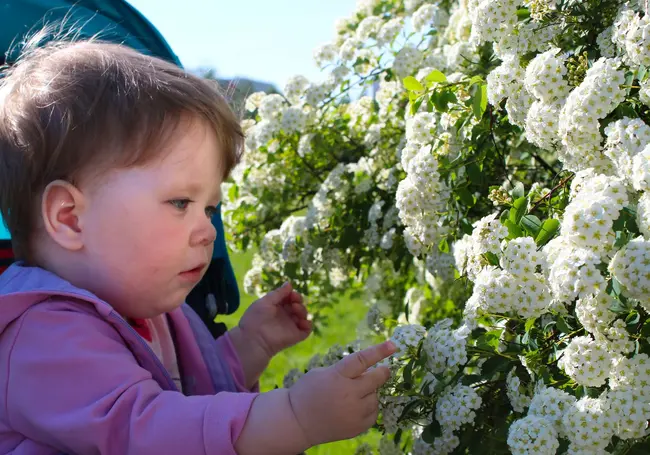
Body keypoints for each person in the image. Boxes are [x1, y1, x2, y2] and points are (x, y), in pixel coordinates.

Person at [0, 33, 396, 455]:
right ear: (70, 218)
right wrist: (294, 416)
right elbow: (151, 433)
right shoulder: (43, 340)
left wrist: (252, 344)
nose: (208, 231)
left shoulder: (148, 309)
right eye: (180, 202)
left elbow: (188, 392)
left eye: (209, 209)